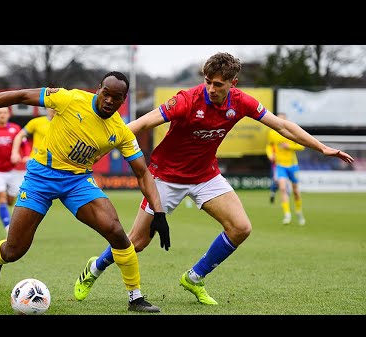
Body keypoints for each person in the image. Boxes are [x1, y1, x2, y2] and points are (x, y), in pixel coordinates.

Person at [74, 52, 355, 306]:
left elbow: (282, 125)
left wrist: (321, 147)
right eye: (208, 81)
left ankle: (194, 277)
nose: (211, 88)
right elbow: (143, 123)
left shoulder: (241, 102)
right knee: (136, 243)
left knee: (241, 227)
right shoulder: (186, 100)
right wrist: (101, 145)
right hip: (166, 177)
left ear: (233, 82)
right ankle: (94, 268)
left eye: (218, 84)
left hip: (205, 175)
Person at [0, 71, 170, 313]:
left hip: (77, 182)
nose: (109, 101)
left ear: (123, 100)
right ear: (98, 89)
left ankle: (135, 298)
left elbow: (142, 173)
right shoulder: (69, 99)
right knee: (15, 250)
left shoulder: (121, 132)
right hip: (41, 177)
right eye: (106, 94)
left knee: (115, 230)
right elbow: (21, 95)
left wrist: (159, 212)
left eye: (116, 98)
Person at [266, 112, 306, 225]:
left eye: (282, 119)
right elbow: (269, 146)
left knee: (296, 191)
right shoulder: (272, 133)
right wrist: (270, 154)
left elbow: (302, 145)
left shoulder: (291, 131)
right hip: (280, 165)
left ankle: (298, 211)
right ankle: (287, 214)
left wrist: (290, 146)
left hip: (293, 165)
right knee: (283, 189)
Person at [265, 136, 279, 204]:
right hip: (276, 166)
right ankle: (272, 193)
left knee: (281, 183)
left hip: (286, 165)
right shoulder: (272, 144)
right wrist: (271, 156)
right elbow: (268, 148)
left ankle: (273, 193)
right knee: (276, 181)